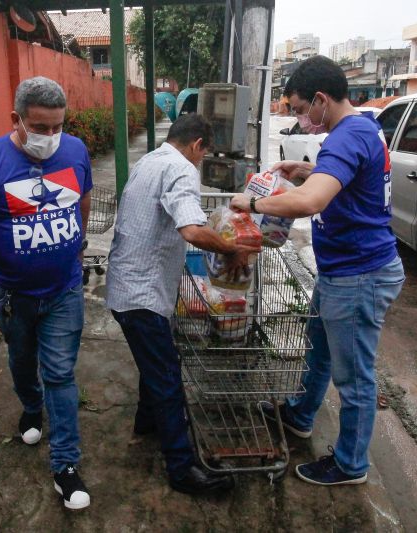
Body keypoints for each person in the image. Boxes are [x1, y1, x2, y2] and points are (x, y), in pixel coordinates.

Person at [230, 55, 405, 486]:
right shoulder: (359, 129)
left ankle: (350, 464)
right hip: (343, 270)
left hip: (358, 274)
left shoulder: (348, 136)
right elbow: (347, 180)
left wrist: (251, 203)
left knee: (354, 375)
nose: (297, 118)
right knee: (319, 348)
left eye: (298, 108)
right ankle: (301, 414)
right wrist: (308, 170)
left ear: (321, 100)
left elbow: (310, 203)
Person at [0, 76, 92, 510]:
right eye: (40, 127)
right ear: (16, 119)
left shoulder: (76, 150)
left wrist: (77, 244)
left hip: (65, 289)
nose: (50, 137)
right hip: (13, 295)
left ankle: (65, 466)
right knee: (20, 361)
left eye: (57, 127)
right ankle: (31, 407)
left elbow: (82, 199)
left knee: (60, 374)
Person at [106, 113, 259, 495]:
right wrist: (232, 248)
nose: (200, 163)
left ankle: (148, 422)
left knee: (156, 361)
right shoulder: (180, 168)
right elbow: (191, 229)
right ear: (197, 146)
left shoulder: (150, 160)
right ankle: (182, 468)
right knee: (167, 377)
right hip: (141, 294)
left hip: (127, 286)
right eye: (203, 156)